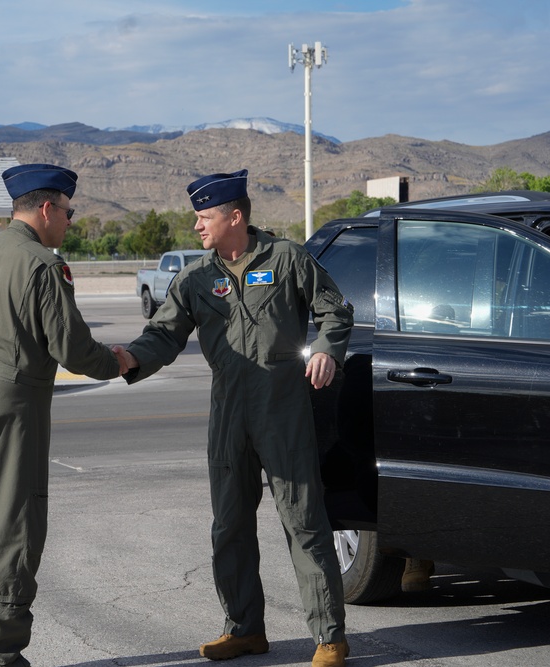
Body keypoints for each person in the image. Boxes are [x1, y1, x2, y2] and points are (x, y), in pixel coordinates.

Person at [119, 169, 355, 667]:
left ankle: (330, 637)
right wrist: (126, 359)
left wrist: (328, 350)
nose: (198, 225)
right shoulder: (196, 277)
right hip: (228, 411)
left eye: (205, 216)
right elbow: (162, 336)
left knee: (304, 522)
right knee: (229, 526)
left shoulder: (286, 258)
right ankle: (244, 630)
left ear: (235, 216)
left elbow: (334, 312)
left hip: (283, 409)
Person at [0, 163, 127, 667]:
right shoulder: (42, 264)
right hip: (10, 405)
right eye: (68, 211)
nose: (70, 221)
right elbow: (72, 348)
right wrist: (119, 361)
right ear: (47, 208)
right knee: (13, 529)